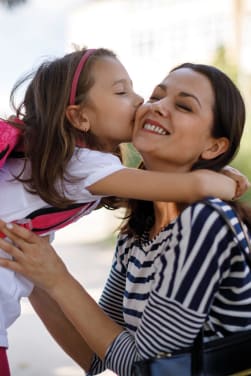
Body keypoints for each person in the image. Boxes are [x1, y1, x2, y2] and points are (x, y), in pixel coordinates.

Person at [0, 62, 250, 376]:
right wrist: (32, 268)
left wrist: (57, 279)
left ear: (214, 146)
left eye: (183, 106)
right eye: (156, 96)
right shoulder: (139, 234)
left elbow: (145, 368)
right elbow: (96, 355)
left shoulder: (206, 222)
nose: (157, 107)